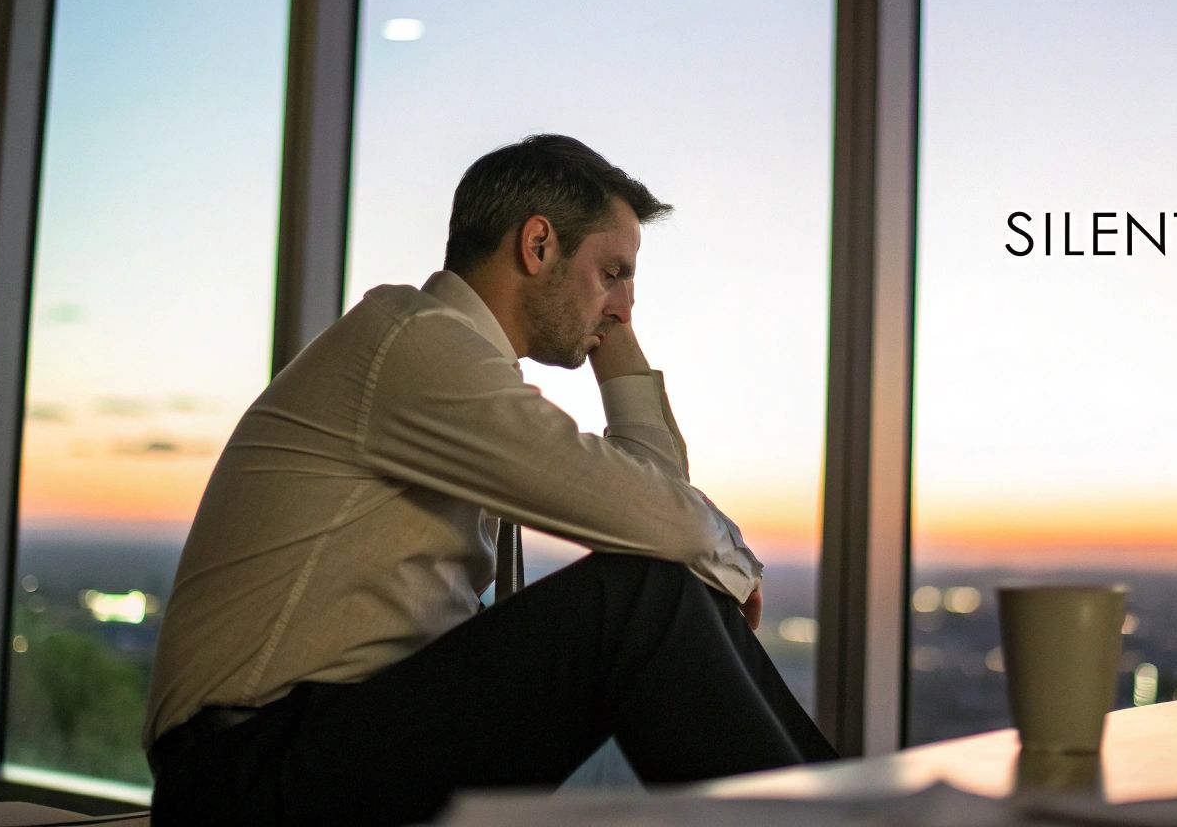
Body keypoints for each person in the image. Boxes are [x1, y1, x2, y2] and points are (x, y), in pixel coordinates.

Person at [144, 134, 836, 825]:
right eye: (614, 272)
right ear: (538, 246)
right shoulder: (411, 343)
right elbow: (674, 526)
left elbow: (656, 514)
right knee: (640, 600)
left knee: (664, 588)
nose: (626, 304)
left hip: (324, 743)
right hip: (242, 773)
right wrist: (727, 563)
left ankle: (854, 811)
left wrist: (612, 331)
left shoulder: (457, 366)